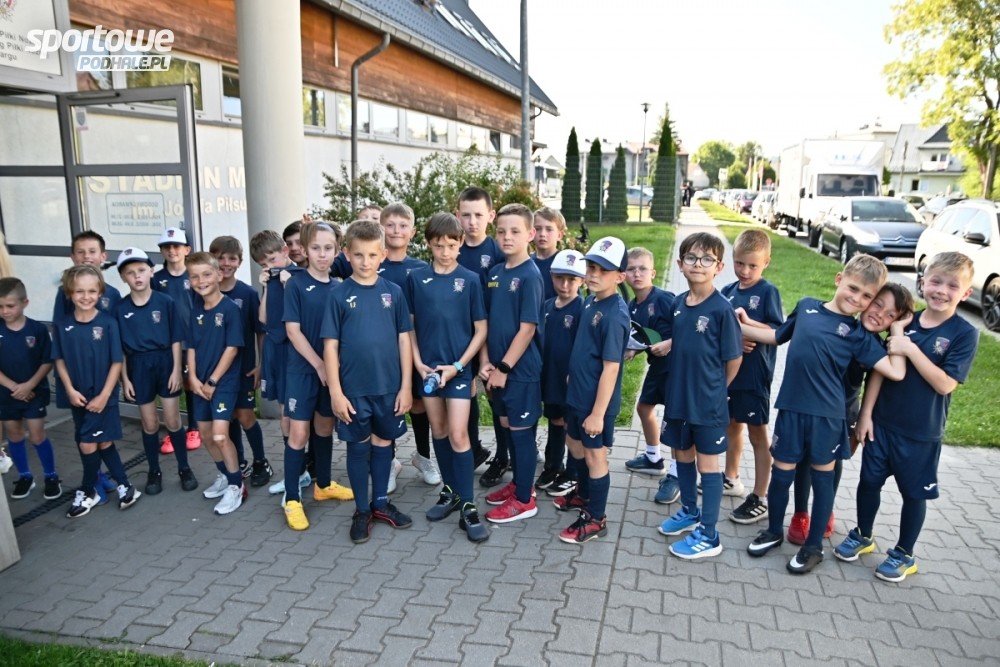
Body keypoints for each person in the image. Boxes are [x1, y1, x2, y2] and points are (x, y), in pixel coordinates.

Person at [742, 254, 908, 573]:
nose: (857, 299)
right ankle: (774, 531)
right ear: (839, 279)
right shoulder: (807, 307)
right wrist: (740, 325)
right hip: (791, 410)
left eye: (866, 296)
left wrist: (898, 330)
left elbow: (896, 371)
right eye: (853, 288)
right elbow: (776, 336)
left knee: (823, 482)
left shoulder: (860, 334)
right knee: (782, 475)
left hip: (829, 420)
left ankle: (813, 546)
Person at [835, 252, 978, 582]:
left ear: (966, 293)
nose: (941, 290)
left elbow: (945, 384)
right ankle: (863, 534)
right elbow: (880, 371)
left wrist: (911, 349)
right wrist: (866, 414)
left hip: (920, 433)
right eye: (936, 281)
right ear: (923, 282)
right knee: (868, 483)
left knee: (914, 494)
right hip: (882, 425)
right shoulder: (903, 322)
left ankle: (904, 553)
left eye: (952, 285)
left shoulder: (964, 333)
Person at [787, 283, 913, 544]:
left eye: (890, 315)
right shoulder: (837, 325)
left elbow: (885, 376)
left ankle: (825, 509)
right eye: (878, 304)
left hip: (843, 412)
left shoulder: (875, 345)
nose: (879, 314)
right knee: (804, 459)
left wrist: (897, 330)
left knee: (833, 461)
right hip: (810, 405)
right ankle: (800, 513)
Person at [323, 219, 414, 543]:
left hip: (388, 388)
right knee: (358, 446)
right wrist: (335, 392)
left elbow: (404, 340)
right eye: (359, 255)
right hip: (353, 391)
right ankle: (361, 510)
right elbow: (330, 346)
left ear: (383, 255)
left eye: (372, 255)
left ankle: (380, 503)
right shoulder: (338, 295)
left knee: (383, 443)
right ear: (347, 254)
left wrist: (406, 386)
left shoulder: (393, 293)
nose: (365, 262)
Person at [656, 232, 742, 559]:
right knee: (681, 454)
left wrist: (717, 389)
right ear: (680, 264)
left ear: (719, 267)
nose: (698, 264)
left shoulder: (722, 310)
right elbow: (686, 341)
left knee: (708, 464)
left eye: (707, 259)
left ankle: (709, 534)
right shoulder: (679, 303)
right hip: (678, 397)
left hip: (707, 404)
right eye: (691, 258)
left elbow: (733, 358)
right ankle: (690, 511)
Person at [407, 212, 490, 542]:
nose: (445, 252)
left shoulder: (470, 280)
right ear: (428, 243)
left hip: (457, 370)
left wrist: (458, 366)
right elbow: (409, 327)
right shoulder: (416, 279)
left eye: (451, 245)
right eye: (438, 245)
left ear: (460, 244)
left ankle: (469, 506)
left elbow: (481, 330)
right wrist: (417, 363)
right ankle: (451, 491)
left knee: (458, 434)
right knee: (439, 430)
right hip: (427, 371)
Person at [280, 222, 354, 531]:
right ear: (305, 250)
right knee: (298, 434)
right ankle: (292, 499)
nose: (322, 254)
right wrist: (320, 365)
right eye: (315, 248)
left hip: (331, 374)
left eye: (328, 248)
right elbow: (293, 331)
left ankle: (323, 485)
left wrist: (334, 369)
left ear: (337, 251)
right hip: (303, 371)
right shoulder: (296, 284)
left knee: (324, 427)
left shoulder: (340, 288)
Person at [557, 238, 630, 543]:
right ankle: (584, 494)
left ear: (620, 276)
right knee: (574, 445)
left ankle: (596, 518)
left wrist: (598, 413)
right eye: (591, 267)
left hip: (595, 403)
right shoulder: (591, 301)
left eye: (603, 270)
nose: (594, 274)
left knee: (594, 456)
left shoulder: (615, 315)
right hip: (578, 393)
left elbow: (611, 368)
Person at [52, 265, 140, 518]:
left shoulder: (108, 324)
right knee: (103, 442)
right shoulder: (63, 325)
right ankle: (125, 486)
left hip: (103, 397)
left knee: (87, 444)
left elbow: (116, 361)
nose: (86, 296)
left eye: (92, 291)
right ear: (69, 293)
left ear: (100, 292)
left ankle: (88, 490)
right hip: (78, 397)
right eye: (79, 291)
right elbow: (59, 359)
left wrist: (104, 395)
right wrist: (69, 389)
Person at [480, 203, 544, 524]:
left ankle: (524, 499)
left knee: (520, 433)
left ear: (530, 234)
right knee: (507, 426)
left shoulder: (530, 275)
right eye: (502, 231)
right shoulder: (494, 273)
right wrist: (486, 362)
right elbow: (486, 322)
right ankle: (519, 483)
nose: (507, 237)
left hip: (520, 373)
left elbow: (527, 328)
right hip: (496, 372)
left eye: (515, 231)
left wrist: (504, 368)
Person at [116, 247, 197, 495]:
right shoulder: (120, 308)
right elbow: (120, 349)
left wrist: (176, 370)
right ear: (123, 278)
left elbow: (176, 339)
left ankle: (184, 467)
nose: (137, 276)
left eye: (141, 270)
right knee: (150, 423)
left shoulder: (165, 302)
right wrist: (125, 379)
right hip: (138, 366)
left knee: (172, 420)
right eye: (130, 273)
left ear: (151, 271)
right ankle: (154, 470)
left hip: (165, 362)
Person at [52, 231, 122, 502]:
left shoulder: (112, 294)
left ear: (103, 256)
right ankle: (96, 479)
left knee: (99, 434)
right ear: (72, 257)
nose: (86, 257)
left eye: (92, 251)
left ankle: (101, 482)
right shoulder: (64, 294)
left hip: (103, 379)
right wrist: (68, 385)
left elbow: (115, 340)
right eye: (80, 252)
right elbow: (62, 335)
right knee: (83, 432)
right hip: (77, 379)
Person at [720, 229, 783, 525]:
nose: (745, 271)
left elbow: (777, 332)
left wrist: (748, 326)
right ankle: (731, 478)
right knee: (732, 425)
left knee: (758, 433)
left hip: (755, 376)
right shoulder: (728, 290)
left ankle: (760, 496)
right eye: (740, 263)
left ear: (766, 262)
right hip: (731, 375)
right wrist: (735, 337)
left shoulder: (768, 292)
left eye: (753, 265)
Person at [378, 203, 437, 488]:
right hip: (382, 349)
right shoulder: (373, 265)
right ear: (380, 228)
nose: (396, 230)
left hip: (414, 347)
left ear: (412, 232)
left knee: (419, 403)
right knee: (390, 403)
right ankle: (390, 462)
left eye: (403, 225)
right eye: (390, 225)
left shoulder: (421, 268)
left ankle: (423, 456)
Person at [250, 230, 310, 498]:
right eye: (263, 264)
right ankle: (297, 473)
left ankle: (298, 474)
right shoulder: (270, 279)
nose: (269, 266)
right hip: (274, 348)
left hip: (292, 349)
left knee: (291, 418)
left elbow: (305, 313)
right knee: (284, 416)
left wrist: (288, 286)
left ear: (285, 251)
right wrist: (265, 287)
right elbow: (263, 318)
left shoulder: (298, 276)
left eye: (272, 260)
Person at [185, 252, 246, 516]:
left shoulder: (230, 309)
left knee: (221, 436)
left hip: (223, 383)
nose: (201, 281)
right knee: (206, 435)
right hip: (200, 383)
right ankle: (225, 474)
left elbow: (232, 348)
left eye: (206, 274)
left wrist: (212, 381)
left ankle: (236, 485)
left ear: (219, 275)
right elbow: (190, 347)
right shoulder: (195, 309)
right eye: (194, 276)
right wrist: (192, 377)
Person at [208, 236, 270, 487]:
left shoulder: (247, 293)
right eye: (220, 257)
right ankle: (238, 462)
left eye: (231, 258)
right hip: (215, 369)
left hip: (243, 368)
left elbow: (260, 331)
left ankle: (261, 461)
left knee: (245, 415)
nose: (225, 263)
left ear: (240, 262)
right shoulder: (204, 293)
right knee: (227, 417)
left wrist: (260, 364)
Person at [621, 247, 678, 504]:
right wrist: (634, 349)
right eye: (631, 269)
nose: (637, 273)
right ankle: (654, 459)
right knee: (644, 407)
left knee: (675, 419)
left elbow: (686, 327)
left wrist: (669, 343)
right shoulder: (632, 306)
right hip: (658, 366)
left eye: (642, 268)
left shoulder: (664, 299)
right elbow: (644, 335)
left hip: (677, 366)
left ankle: (677, 474)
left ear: (653, 273)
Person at [457, 186, 504, 484]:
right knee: (465, 391)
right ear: (457, 216)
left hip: (492, 333)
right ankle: (473, 448)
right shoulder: (453, 248)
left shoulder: (497, 251)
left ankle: (504, 455)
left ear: (491, 215)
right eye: (466, 215)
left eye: (478, 215)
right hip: (461, 334)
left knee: (495, 393)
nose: (472, 221)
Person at [0, 277, 61, 500]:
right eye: (0, 306)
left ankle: (51, 476)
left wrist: (29, 385)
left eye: (10, 306)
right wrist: (14, 387)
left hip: (34, 393)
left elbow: (47, 361)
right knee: (14, 435)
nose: (5, 311)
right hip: (6, 394)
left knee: (37, 435)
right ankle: (25, 476)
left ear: (24, 303)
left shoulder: (37, 330)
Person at [537, 249, 586, 498]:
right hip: (550, 377)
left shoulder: (583, 309)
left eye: (572, 279)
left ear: (582, 281)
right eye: (560, 278)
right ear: (552, 277)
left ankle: (573, 472)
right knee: (555, 420)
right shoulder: (546, 306)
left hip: (570, 380)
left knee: (570, 424)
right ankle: (553, 465)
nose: (565, 285)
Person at [153, 227, 200, 455]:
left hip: (191, 341)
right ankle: (174, 431)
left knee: (191, 383)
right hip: (167, 342)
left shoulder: (194, 276)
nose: (172, 250)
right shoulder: (156, 279)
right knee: (170, 385)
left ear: (187, 250)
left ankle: (194, 428)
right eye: (167, 247)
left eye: (176, 246)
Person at [531, 207, 567, 302]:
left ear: (559, 235)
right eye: (538, 229)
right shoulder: (527, 262)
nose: (542, 234)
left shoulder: (564, 263)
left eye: (549, 229)